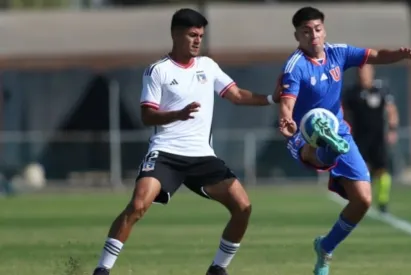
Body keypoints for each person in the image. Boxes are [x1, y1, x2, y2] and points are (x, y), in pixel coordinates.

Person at [92, 8, 280, 275]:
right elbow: (147, 115)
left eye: (201, 36)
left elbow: (237, 94)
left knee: (243, 207)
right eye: (192, 35)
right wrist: (177, 114)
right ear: (175, 34)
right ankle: (102, 270)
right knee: (138, 205)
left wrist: (272, 99)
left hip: (202, 156)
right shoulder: (158, 71)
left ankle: (218, 268)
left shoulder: (208, 66)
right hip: (166, 152)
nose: (197, 41)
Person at [277, 7, 411, 275]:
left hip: (338, 130)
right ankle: (326, 145)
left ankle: (325, 247)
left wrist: (398, 56)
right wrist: (287, 119)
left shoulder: (338, 53)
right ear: (297, 34)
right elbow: (287, 103)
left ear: (324, 30)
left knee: (363, 201)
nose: (314, 36)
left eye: (317, 29)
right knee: (312, 153)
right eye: (306, 32)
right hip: (303, 132)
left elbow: (374, 55)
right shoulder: (295, 66)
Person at [343, 64, 399, 213]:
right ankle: (361, 199)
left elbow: (391, 110)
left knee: (382, 170)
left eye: (366, 72)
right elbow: (343, 113)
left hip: (378, 138)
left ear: (372, 73)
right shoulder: (351, 93)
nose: (363, 75)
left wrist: (392, 129)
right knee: (359, 170)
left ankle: (383, 201)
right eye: (360, 72)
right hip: (359, 138)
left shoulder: (381, 90)